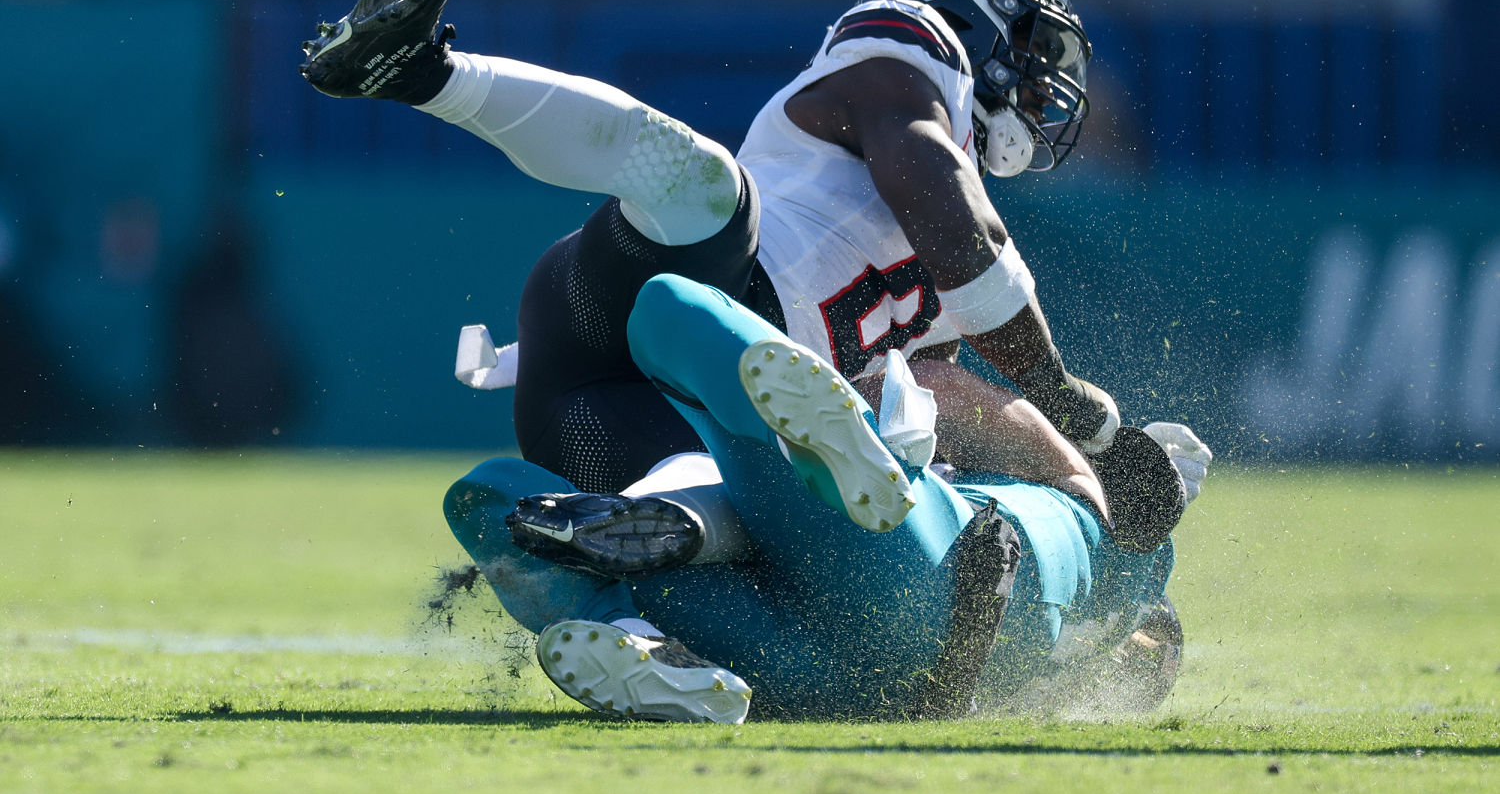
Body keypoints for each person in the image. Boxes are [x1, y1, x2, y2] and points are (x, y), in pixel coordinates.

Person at [298, 0, 1130, 530]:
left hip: (615, 412)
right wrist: (1058, 392)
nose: (1040, 79)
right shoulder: (906, 62)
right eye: (1027, 37)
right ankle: (427, 73)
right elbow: (954, 222)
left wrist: (1094, 471)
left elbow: (928, 400)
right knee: (705, 187)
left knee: (737, 524)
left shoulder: (959, 260)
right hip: (677, 287)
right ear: (968, 10)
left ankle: (625, 620)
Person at [440, 272, 1208, 722]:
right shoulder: (1077, 644)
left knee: (664, 308)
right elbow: (1135, 643)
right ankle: (649, 643)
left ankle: (625, 610)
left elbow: (938, 383)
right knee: (501, 500)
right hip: (861, 688)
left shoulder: (1112, 523)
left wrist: (1094, 441)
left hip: (925, 570)